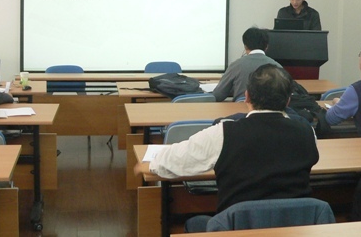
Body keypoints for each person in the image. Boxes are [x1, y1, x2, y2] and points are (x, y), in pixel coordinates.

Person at [135, 64, 319, 232]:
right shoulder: (307, 132)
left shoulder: (224, 133)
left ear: (247, 96)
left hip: (236, 228)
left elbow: (180, 158)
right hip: (294, 229)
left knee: (195, 223)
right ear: (288, 101)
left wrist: (151, 164)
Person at [212, 27, 281, 102]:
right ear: (266, 46)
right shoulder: (278, 67)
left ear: (245, 46)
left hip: (241, 107)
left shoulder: (236, 65)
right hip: (271, 108)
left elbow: (218, 95)